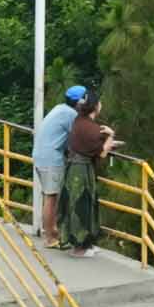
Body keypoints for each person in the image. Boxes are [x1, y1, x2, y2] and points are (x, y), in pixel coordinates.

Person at [58, 94, 120, 256]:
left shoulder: (78, 122)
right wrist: (111, 135)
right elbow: (102, 153)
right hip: (82, 170)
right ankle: (80, 247)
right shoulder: (92, 129)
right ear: (95, 107)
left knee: (72, 204)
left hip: (72, 167)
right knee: (82, 205)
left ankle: (81, 243)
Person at [33, 85, 89, 247]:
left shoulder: (60, 109)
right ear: (79, 102)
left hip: (42, 156)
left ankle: (53, 232)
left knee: (51, 196)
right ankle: (50, 238)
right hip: (51, 159)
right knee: (51, 197)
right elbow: (81, 137)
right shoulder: (70, 115)